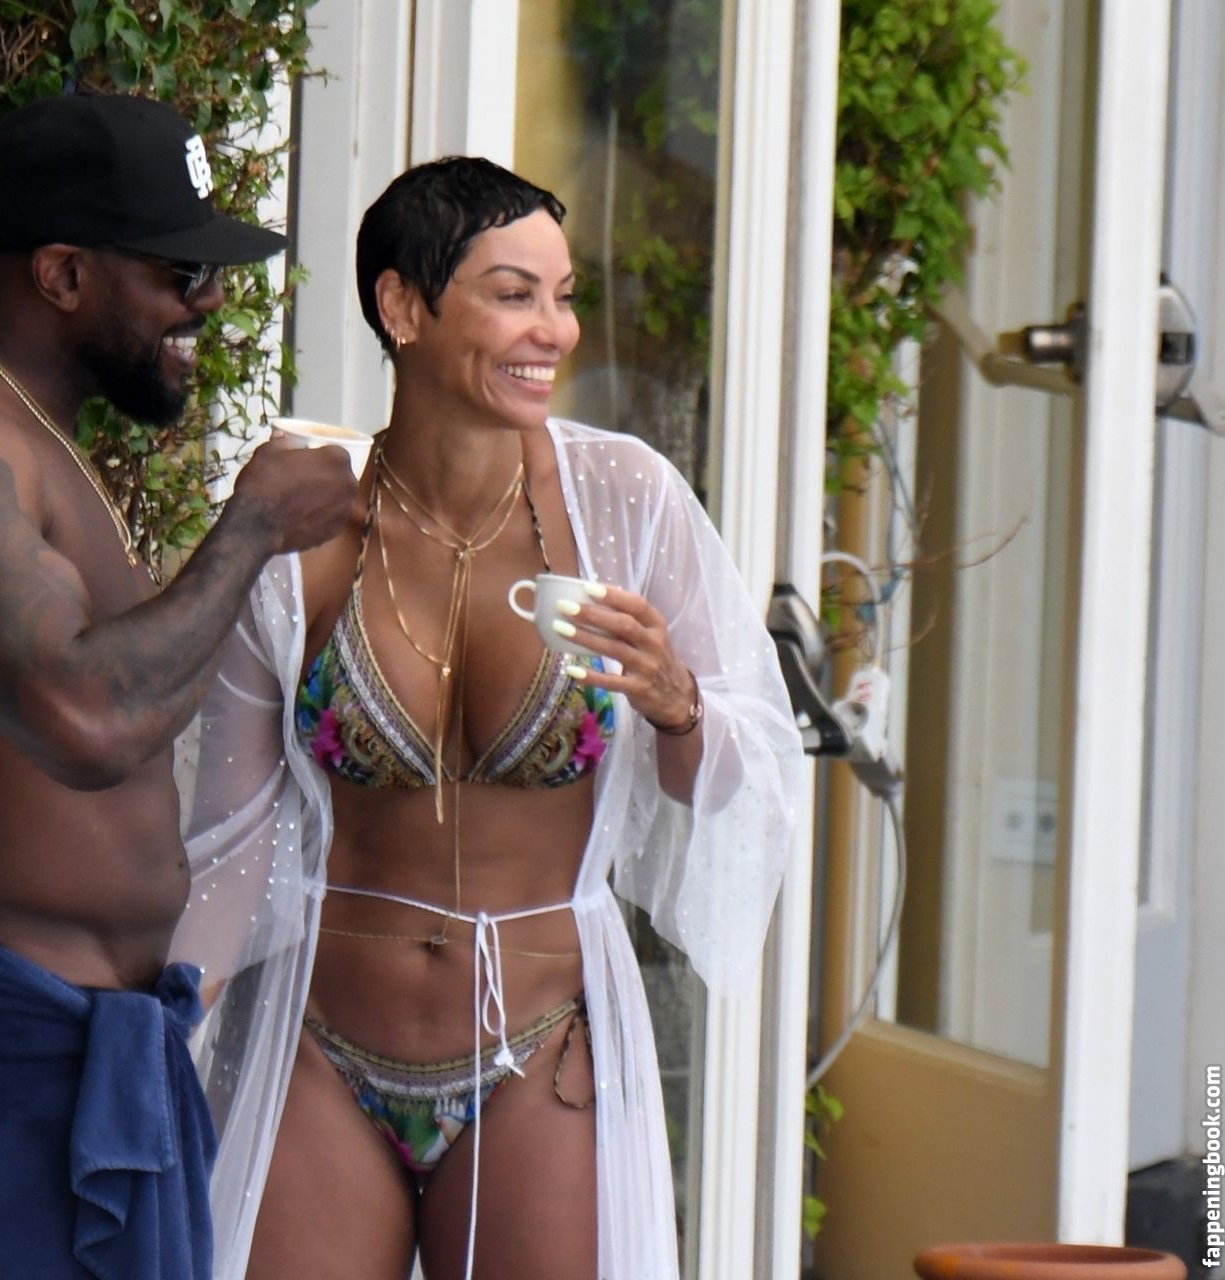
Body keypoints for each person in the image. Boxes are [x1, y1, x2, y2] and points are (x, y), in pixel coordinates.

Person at [175, 157, 804, 1280]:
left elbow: (749, 765)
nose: (554, 331)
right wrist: (153, 1034)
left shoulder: (625, 502)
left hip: (542, 1048)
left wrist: (678, 704)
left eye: (563, 297)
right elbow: (230, 833)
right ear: (402, 306)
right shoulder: (305, 519)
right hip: (317, 1046)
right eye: (515, 295)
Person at [0, 92, 357, 1280]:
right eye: (178, 272)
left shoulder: (30, 438)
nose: (206, 302)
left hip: (94, 1053)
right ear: (62, 272)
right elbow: (86, 717)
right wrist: (252, 528)